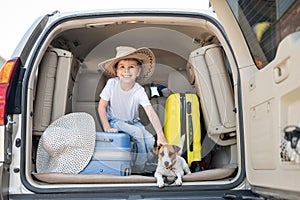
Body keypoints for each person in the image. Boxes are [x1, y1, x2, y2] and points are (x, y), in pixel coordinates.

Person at [97, 46, 168, 173]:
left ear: (138, 72)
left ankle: (150, 162)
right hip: (115, 121)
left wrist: (161, 135)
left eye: (131, 67)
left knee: (150, 139)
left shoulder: (139, 90)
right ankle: (140, 168)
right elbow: (102, 106)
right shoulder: (112, 84)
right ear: (117, 72)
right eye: (122, 67)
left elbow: (150, 111)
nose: (126, 71)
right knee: (138, 133)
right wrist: (107, 127)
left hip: (133, 122)